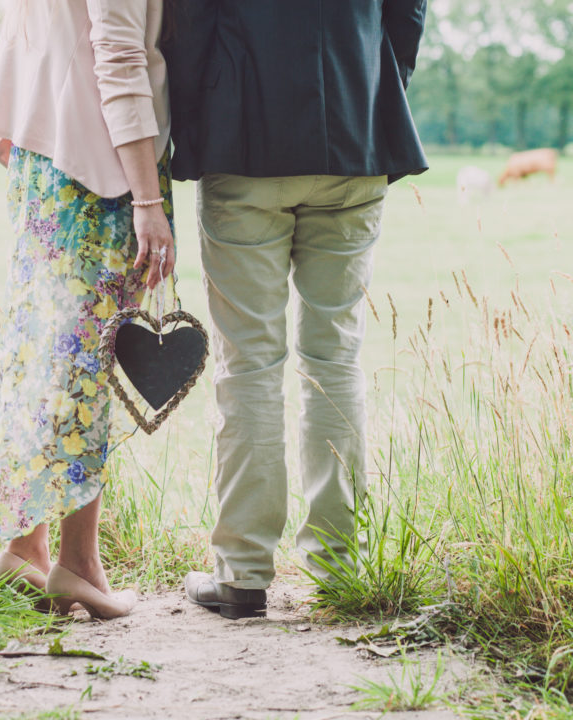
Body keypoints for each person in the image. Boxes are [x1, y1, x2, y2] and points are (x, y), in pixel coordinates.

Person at [163, 0, 429, 619]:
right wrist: (370, 82)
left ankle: (242, 574)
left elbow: (191, 24)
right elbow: (406, 12)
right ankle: (339, 568)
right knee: (335, 358)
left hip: (244, 144)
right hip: (355, 137)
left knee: (249, 363)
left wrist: (196, 125)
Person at [0, 0, 174, 620]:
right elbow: (117, 54)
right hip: (101, 174)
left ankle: (23, 547)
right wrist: (147, 196)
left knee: (40, 354)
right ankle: (77, 564)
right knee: (82, 365)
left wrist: (16, 121)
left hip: (44, 160)